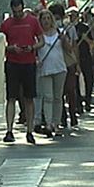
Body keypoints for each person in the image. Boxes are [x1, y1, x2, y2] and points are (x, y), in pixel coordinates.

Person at [0, 0, 44, 144]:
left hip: (28, 63)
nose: (17, 15)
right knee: (11, 97)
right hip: (12, 63)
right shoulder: (6, 24)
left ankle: (30, 131)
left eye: (19, 11)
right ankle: (9, 130)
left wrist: (32, 48)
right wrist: (11, 48)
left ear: (23, 8)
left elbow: (41, 41)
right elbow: (0, 44)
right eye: (15, 12)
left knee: (29, 98)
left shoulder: (32, 21)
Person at [35, 9, 69, 138]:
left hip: (59, 68)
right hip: (45, 69)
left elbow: (69, 49)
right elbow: (35, 51)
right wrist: (37, 60)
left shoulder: (60, 33)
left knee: (57, 97)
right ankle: (48, 124)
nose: (46, 21)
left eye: (48, 18)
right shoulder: (37, 36)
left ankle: (56, 123)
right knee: (48, 97)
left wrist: (64, 39)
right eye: (44, 19)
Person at [50, 4, 80, 128]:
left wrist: (77, 63)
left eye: (57, 17)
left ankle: (73, 114)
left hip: (68, 61)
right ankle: (62, 116)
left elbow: (74, 46)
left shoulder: (69, 28)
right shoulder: (48, 29)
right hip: (55, 62)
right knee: (58, 92)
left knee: (70, 89)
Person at [75, 10, 94, 112]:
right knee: (75, 82)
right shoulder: (69, 29)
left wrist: (86, 39)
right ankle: (78, 103)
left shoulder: (85, 27)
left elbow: (92, 43)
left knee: (89, 80)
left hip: (85, 56)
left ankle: (88, 101)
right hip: (74, 58)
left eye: (74, 15)